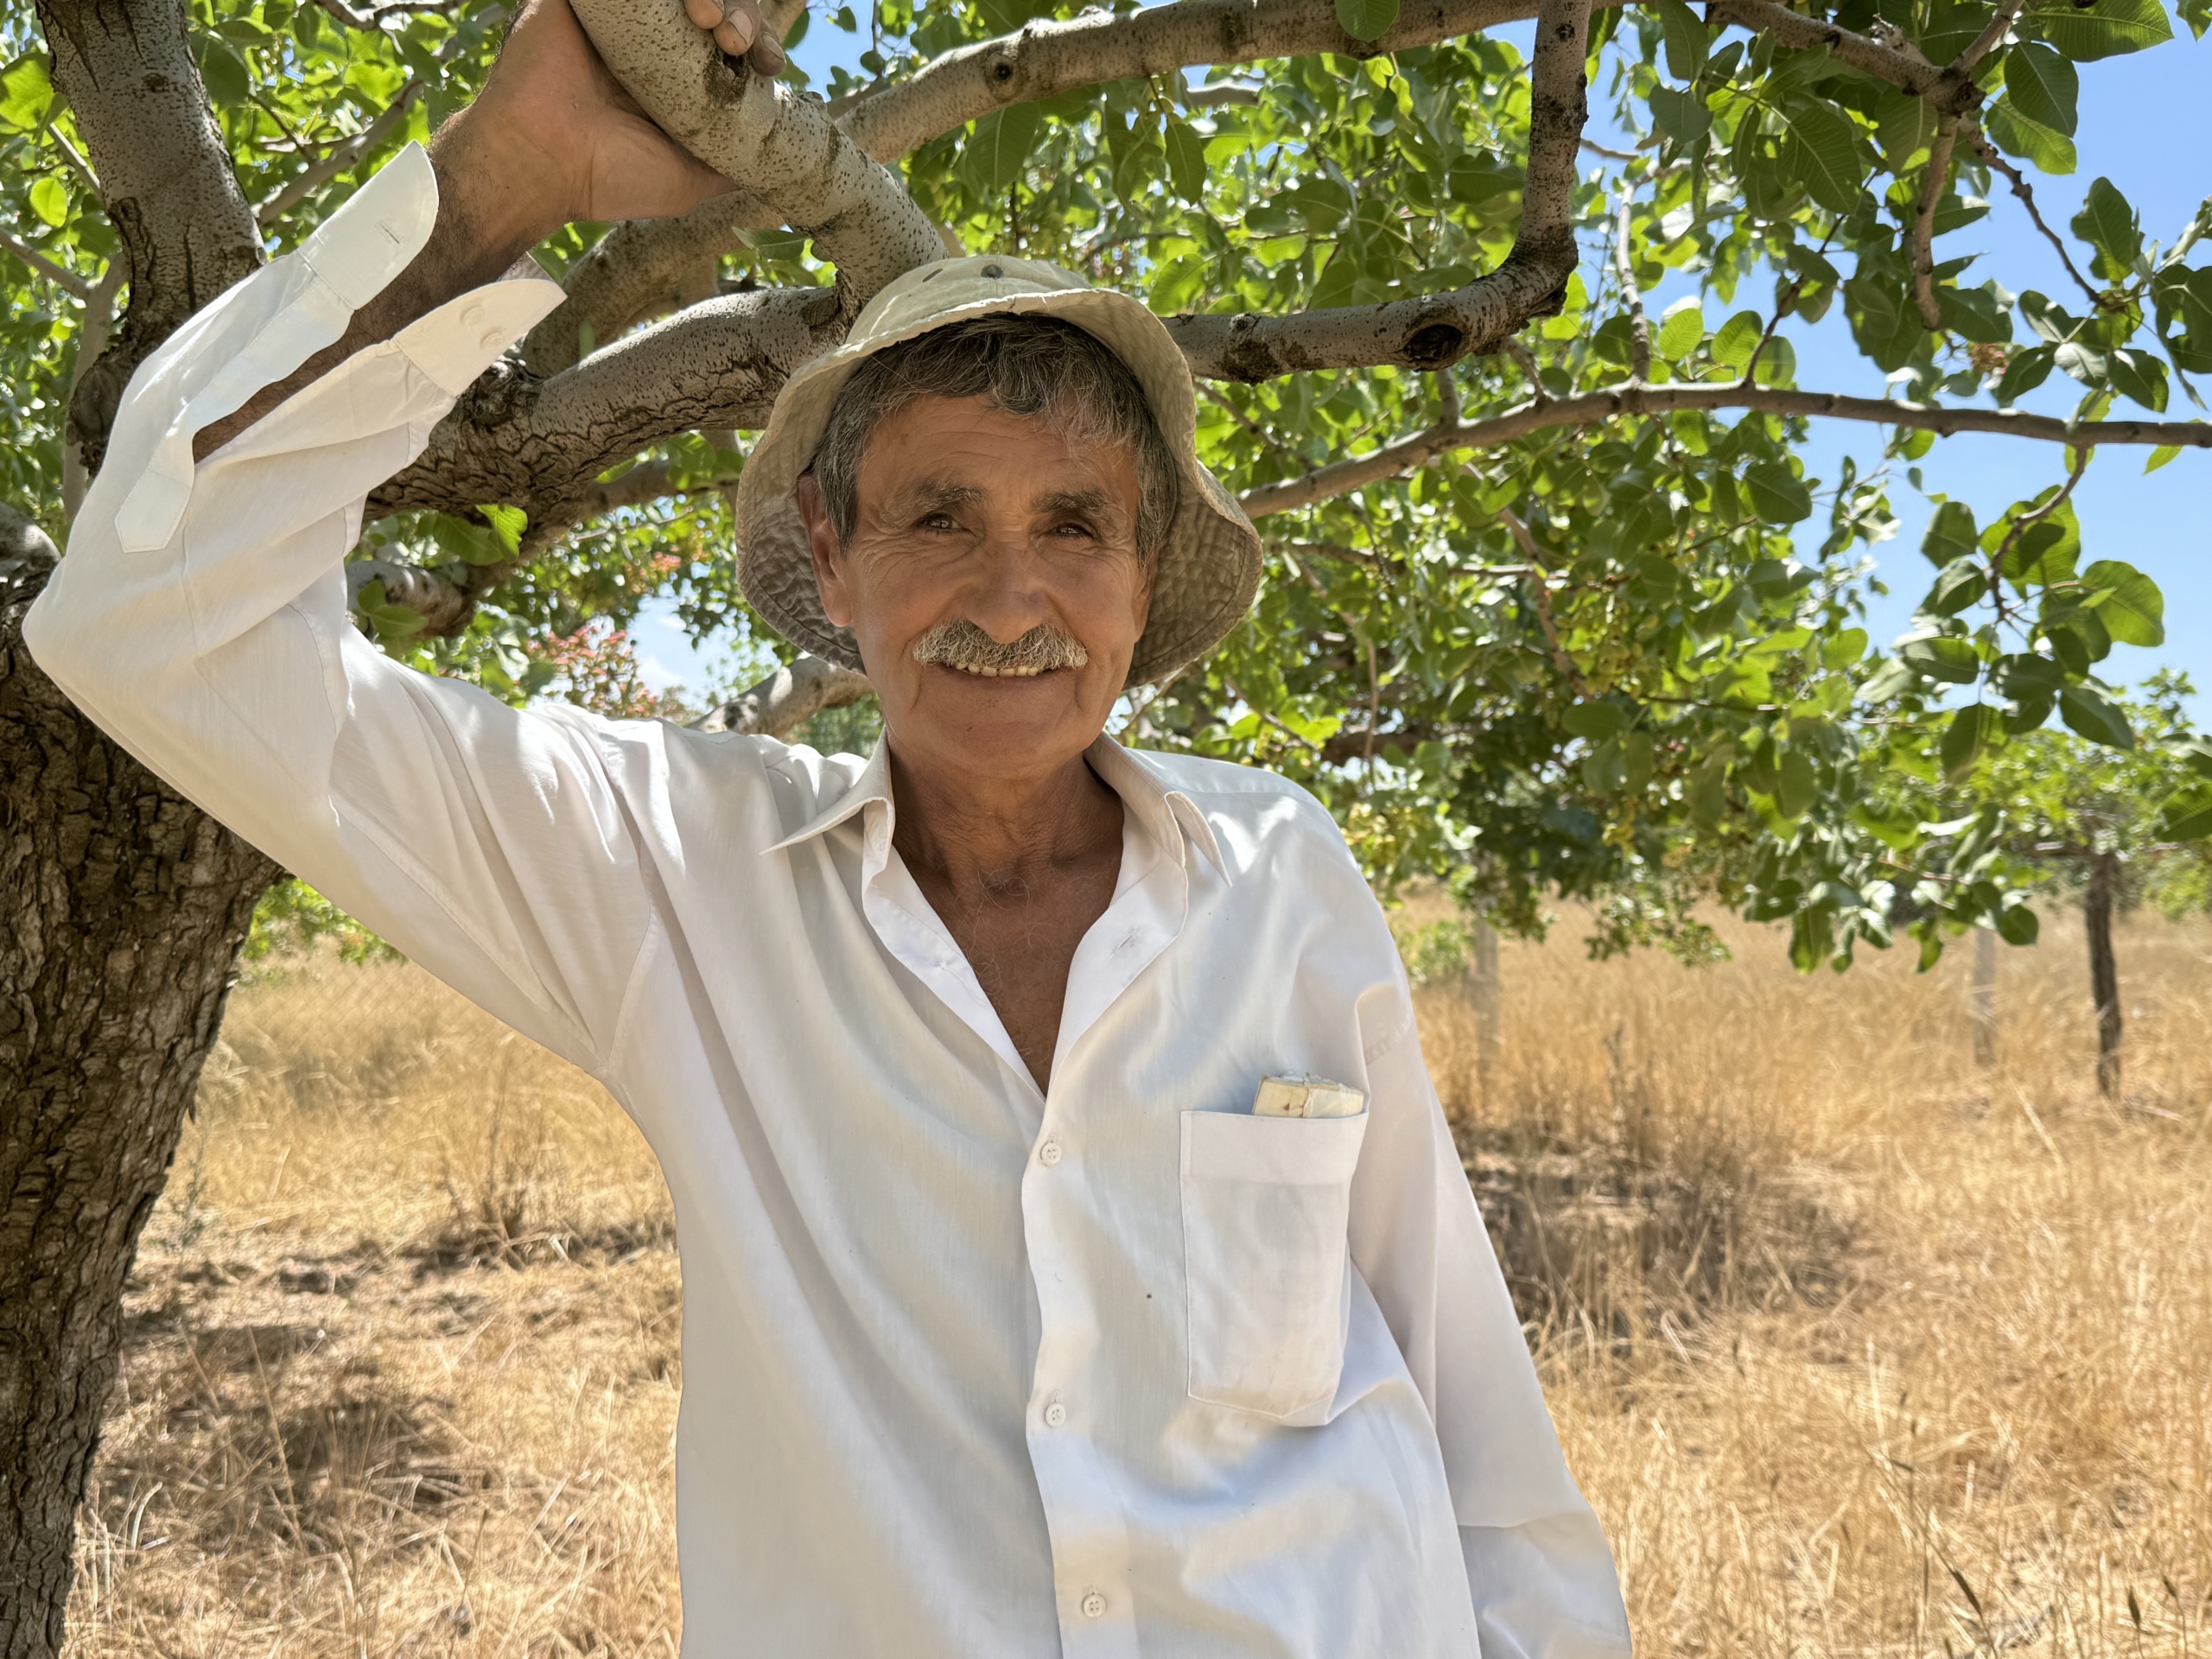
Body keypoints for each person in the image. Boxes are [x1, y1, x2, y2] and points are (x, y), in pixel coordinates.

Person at [26, 0, 1632, 1652]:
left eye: (1075, 524)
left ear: (1145, 580)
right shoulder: (677, 878)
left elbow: (1473, 1429)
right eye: (939, 514)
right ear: (835, 555)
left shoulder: (1278, 871)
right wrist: (513, 168)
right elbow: (151, 618)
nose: (1013, 596)